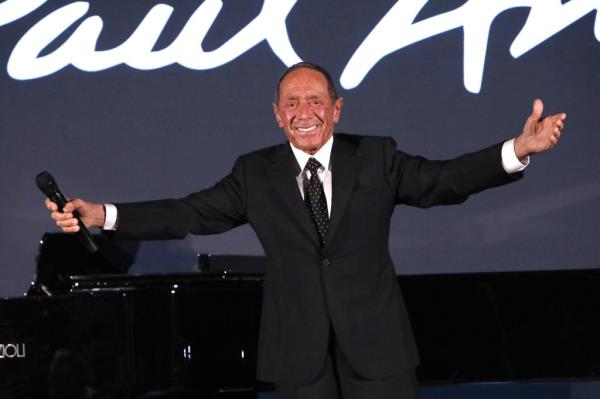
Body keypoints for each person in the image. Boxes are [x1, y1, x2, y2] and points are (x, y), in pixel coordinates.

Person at [46, 62, 566, 399]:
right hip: (298, 352)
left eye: (315, 100)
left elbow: (444, 181)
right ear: (276, 116)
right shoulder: (255, 172)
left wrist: (516, 151)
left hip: (378, 348)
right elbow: (190, 213)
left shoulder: (377, 157)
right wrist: (104, 215)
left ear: (337, 109)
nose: (304, 112)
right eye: (291, 104)